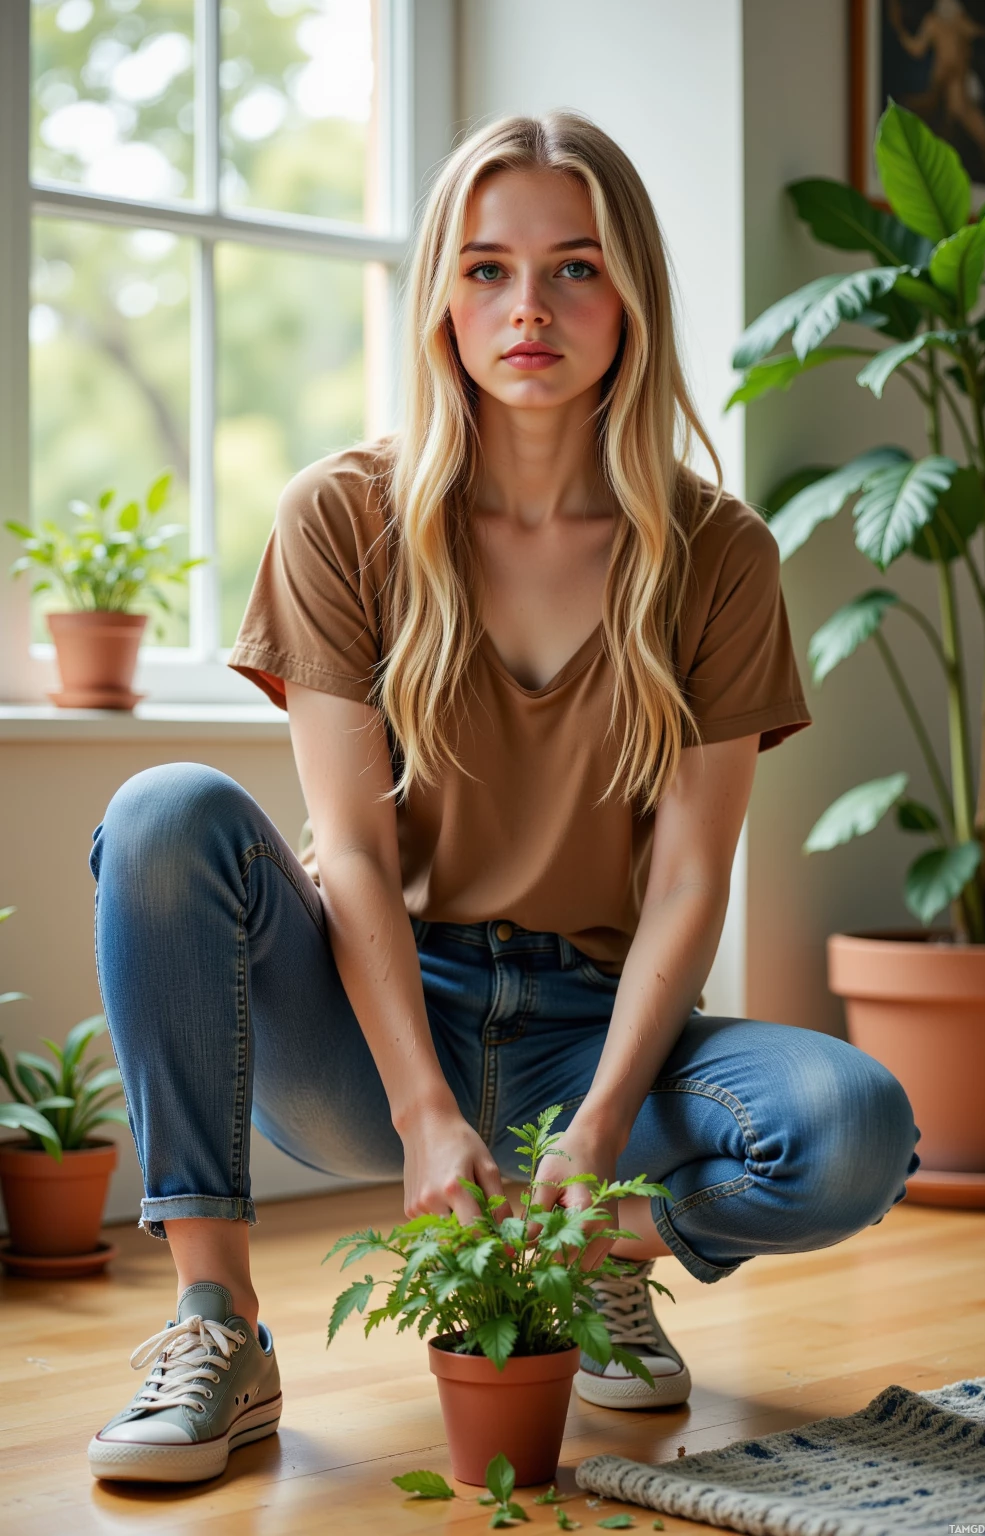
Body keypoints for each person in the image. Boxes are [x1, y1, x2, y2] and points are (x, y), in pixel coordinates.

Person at [86, 112, 921, 1484]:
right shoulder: (341, 517)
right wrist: (420, 1108)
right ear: (439, 295)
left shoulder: (720, 556)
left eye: (575, 266)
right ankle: (217, 1324)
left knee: (856, 1131)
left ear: (632, 292)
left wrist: (598, 1129)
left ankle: (583, 1256)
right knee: (169, 811)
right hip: (374, 1028)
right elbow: (348, 851)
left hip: (598, 1042)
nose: (528, 307)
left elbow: (691, 879)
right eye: (485, 269)